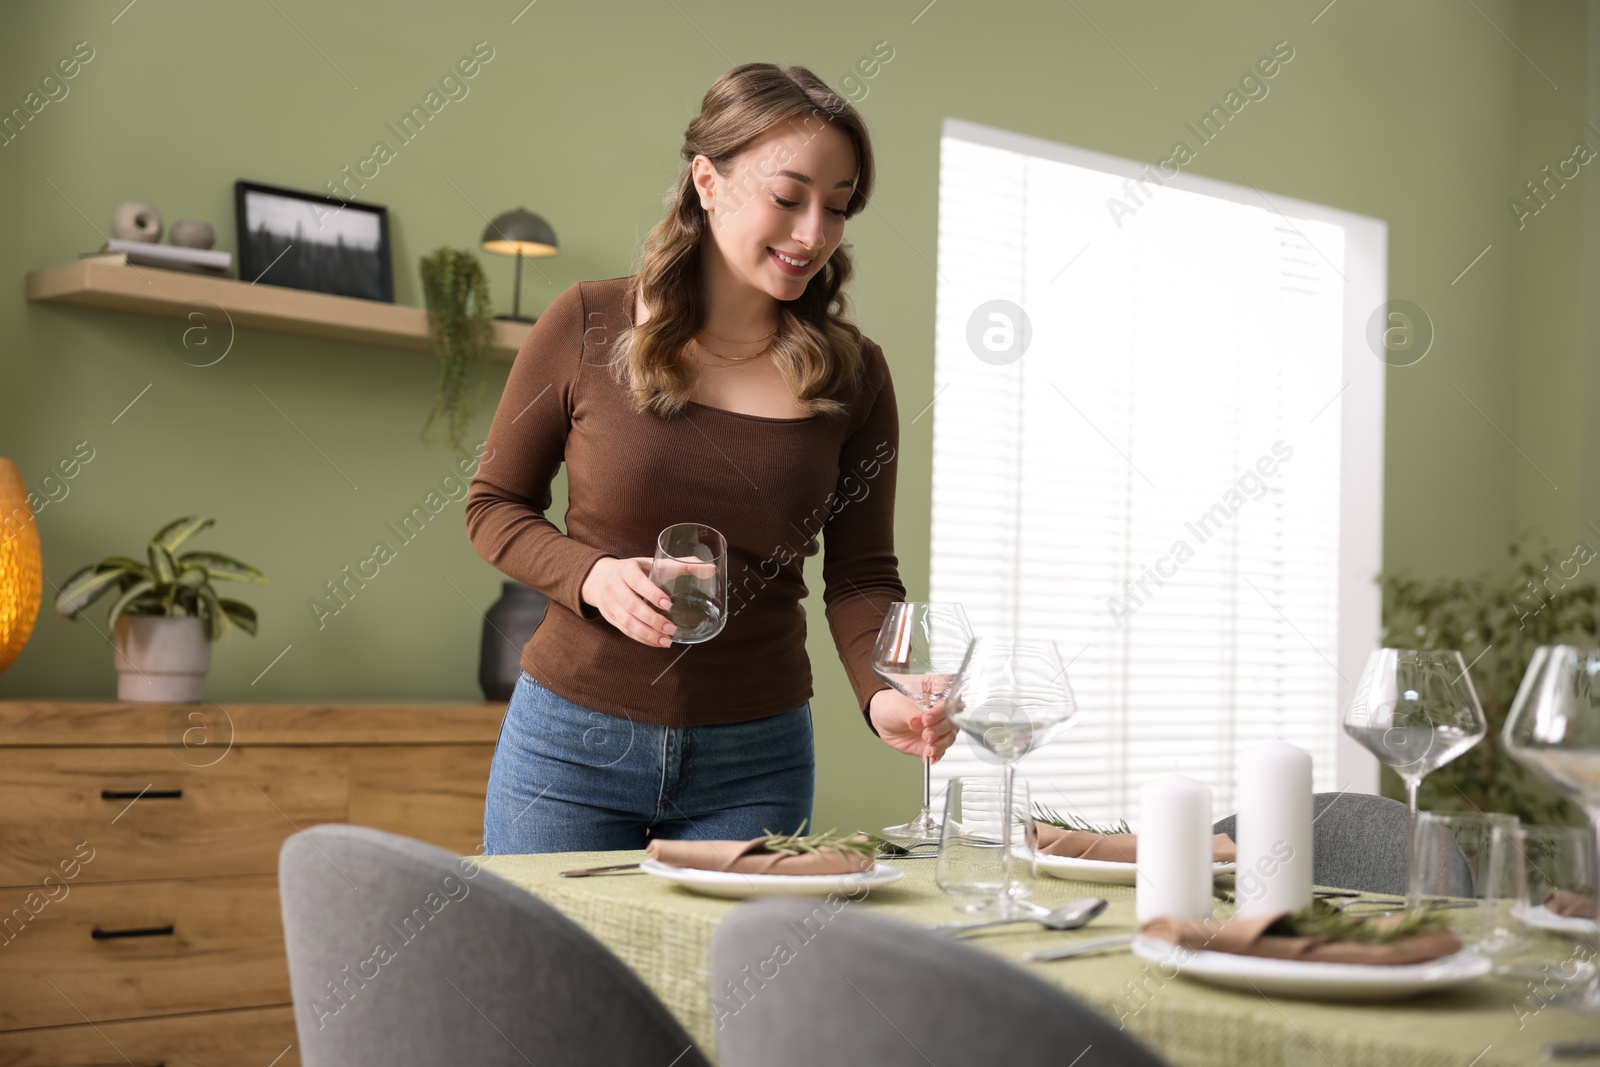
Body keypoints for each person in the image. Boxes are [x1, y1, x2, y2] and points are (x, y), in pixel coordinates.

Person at [467, 62, 955, 855]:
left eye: (837, 208)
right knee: (548, 979)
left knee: (722, 983)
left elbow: (863, 575)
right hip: (570, 743)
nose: (813, 234)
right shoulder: (587, 323)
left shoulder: (855, 374)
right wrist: (588, 575)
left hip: (756, 759)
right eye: (788, 197)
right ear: (707, 179)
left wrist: (882, 694)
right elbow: (493, 506)